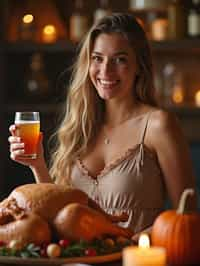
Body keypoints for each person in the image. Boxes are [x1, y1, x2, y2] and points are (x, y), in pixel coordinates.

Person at [8, 13, 197, 240]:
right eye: (97, 58)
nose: (106, 71)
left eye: (120, 59)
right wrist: (37, 164)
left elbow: (185, 216)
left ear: (139, 66)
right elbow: (59, 215)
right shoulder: (79, 126)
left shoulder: (158, 125)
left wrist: (120, 245)